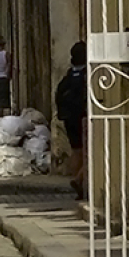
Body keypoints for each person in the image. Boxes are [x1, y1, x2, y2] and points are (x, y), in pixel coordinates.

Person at [55, 41, 88, 200]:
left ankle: (79, 185)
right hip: (83, 117)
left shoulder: (68, 76)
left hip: (69, 119)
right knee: (90, 152)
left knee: (76, 151)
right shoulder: (87, 75)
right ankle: (79, 179)